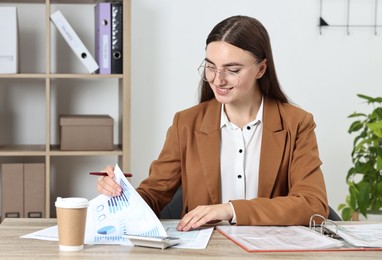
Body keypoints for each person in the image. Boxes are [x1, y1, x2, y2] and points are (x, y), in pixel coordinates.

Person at [97, 15, 329, 231]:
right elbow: (153, 195)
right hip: (205, 250)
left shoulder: (296, 124)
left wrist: (230, 209)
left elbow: (313, 205)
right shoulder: (186, 123)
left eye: (233, 70)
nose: (217, 80)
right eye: (210, 67)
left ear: (261, 69)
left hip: (271, 252)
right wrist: (119, 193)